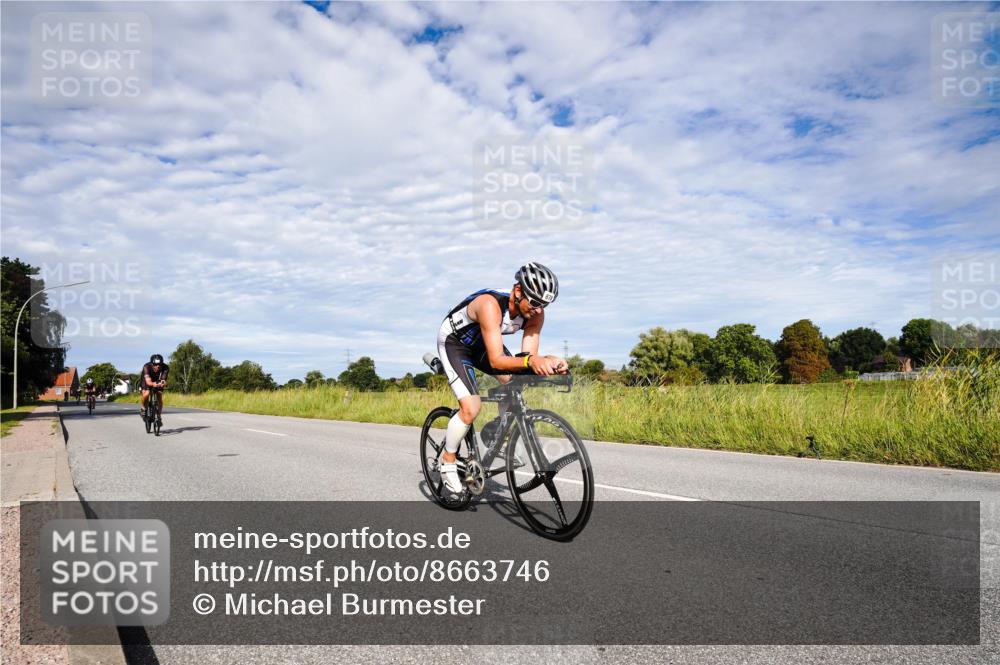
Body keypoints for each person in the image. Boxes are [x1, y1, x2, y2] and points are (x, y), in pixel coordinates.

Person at [435, 262, 568, 494]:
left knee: (514, 382)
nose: (538, 309)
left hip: (483, 346)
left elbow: (527, 358)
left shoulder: (536, 314)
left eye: (544, 305)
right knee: (471, 407)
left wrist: (549, 362)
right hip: (455, 343)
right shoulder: (490, 304)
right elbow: (497, 361)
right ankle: (447, 460)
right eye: (535, 302)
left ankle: (496, 432)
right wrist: (532, 362)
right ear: (518, 291)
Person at [139, 354, 169, 420]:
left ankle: (159, 415)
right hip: (147, 380)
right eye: (155, 365)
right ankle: (143, 408)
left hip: (157, 380)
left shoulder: (165, 367)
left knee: (159, 396)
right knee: (146, 394)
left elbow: (163, 380)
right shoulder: (146, 367)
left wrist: (163, 383)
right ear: (152, 364)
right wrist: (153, 384)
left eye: (159, 364)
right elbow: (148, 382)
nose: (157, 366)